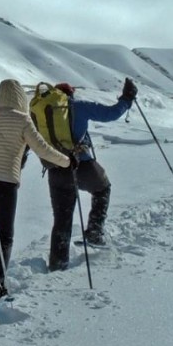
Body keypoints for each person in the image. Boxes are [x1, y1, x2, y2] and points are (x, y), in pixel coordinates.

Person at [0, 79, 71, 304]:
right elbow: (42, 149)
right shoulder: (22, 119)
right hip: (5, 182)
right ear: (20, 98)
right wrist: (66, 162)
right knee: (4, 236)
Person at [45, 77, 137, 270]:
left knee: (62, 218)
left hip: (54, 167)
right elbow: (110, 114)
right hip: (82, 164)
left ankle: (57, 263)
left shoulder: (45, 112)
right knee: (103, 188)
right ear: (70, 94)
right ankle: (94, 231)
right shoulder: (79, 106)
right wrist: (127, 99)